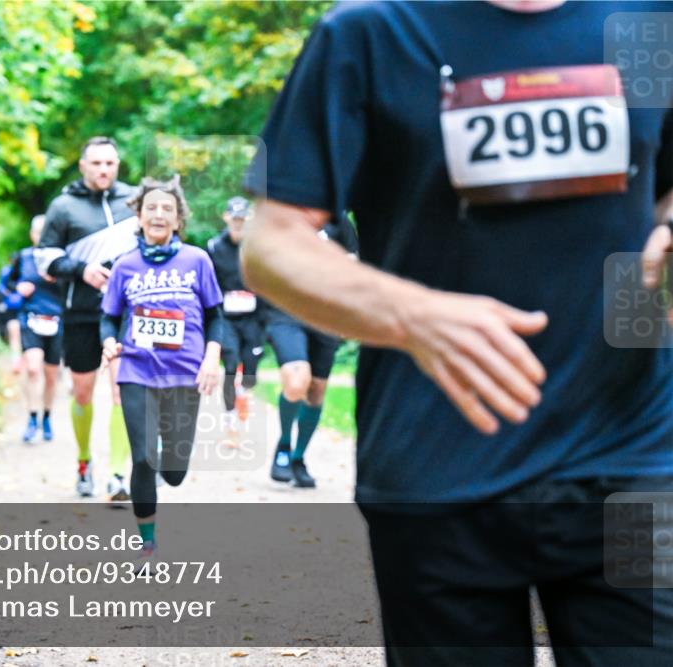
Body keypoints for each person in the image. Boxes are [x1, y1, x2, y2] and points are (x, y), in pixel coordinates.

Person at [241, 1, 672, 665]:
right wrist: (414, 313)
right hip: (437, 464)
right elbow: (271, 243)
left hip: (635, 454)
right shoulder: (364, 32)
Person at [100, 176, 223, 565]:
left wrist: (212, 356)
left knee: (173, 471)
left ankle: (163, 471)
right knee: (142, 459)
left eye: (166, 208)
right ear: (138, 215)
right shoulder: (124, 266)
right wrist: (108, 342)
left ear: (178, 218)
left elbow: (215, 314)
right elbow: (108, 318)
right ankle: (147, 542)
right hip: (136, 370)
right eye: (150, 207)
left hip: (184, 373)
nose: (158, 214)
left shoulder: (197, 260)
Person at [38, 137, 138, 498]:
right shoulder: (64, 207)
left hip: (125, 313)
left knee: (121, 390)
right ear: (83, 166)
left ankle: (117, 475)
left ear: (117, 165)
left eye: (110, 163)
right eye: (96, 163)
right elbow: (44, 258)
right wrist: (82, 269)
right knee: (83, 392)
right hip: (80, 312)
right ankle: (84, 461)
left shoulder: (134, 201)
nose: (104, 170)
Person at [262, 220, 355, 488]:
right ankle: (283, 445)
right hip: (285, 313)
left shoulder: (340, 224)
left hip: (325, 316)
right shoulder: (282, 216)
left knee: (316, 390)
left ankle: (298, 458)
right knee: (296, 380)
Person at [1, 215, 64, 443]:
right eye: (38, 231)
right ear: (32, 234)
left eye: (46, 231)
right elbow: (6, 283)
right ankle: (31, 418)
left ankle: (46, 417)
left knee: (50, 376)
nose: (41, 235)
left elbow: (74, 284)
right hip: (31, 318)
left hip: (57, 320)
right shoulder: (23, 257)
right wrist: (18, 287)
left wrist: (56, 279)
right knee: (33, 369)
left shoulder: (61, 258)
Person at [206, 196, 265, 434]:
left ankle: (244, 391)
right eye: (235, 218)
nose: (238, 223)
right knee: (231, 364)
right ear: (226, 217)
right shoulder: (214, 247)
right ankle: (230, 419)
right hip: (226, 318)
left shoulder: (258, 247)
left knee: (250, 372)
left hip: (253, 317)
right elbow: (209, 286)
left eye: (243, 219)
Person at [0, 258, 26, 374]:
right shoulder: (8, 271)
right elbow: (1, 287)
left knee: (17, 336)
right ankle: (16, 361)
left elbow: (0, 287)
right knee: (15, 335)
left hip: (22, 308)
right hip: (14, 309)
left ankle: (18, 361)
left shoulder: (21, 271)